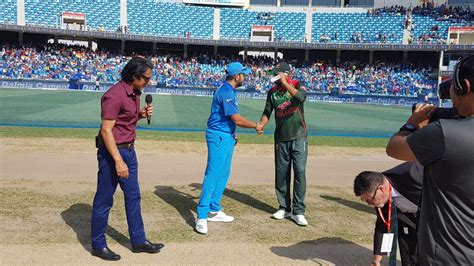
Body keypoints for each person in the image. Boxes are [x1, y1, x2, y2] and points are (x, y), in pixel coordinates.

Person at [386, 55, 474, 265]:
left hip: (447, 254)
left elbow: (395, 148)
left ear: (466, 86)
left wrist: (412, 123)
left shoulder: (446, 134)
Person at [91, 57, 164, 261]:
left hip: (129, 152)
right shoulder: (114, 95)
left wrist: (140, 114)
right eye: (146, 78)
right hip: (112, 153)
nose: (148, 82)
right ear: (134, 76)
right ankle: (98, 245)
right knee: (104, 199)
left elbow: (123, 121)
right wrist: (118, 160)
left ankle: (138, 241)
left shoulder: (135, 93)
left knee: (133, 196)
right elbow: (106, 131)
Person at [195, 62, 263, 235]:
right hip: (218, 136)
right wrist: (256, 125)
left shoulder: (229, 90)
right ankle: (202, 216)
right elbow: (237, 119)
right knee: (212, 174)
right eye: (243, 74)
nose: (245, 77)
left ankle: (214, 209)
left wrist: (232, 133)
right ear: (236, 76)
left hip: (226, 135)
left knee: (223, 173)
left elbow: (229, 121)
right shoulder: (226, 92)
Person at [257, 62, 309, 226]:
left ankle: (298, 211)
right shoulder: (272, 92)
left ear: (286, 74)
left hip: (299, 136)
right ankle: (284, 207)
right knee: (281, 174)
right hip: (281, 138)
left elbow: (301, 98)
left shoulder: (297, 85)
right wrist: (262, 123)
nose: (274, 76)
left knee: (299, 172)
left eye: (277, 73)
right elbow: (267, 112)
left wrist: (286, 83)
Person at [354, 162, 423, 266]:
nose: (370, 204)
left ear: (381, 189)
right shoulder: (381, 198)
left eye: (370, 200)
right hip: (408, 220)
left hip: (435, 213)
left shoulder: (413, 174)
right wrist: (377, 260)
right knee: (409, 256)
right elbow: (383, 226)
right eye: (366, 202)